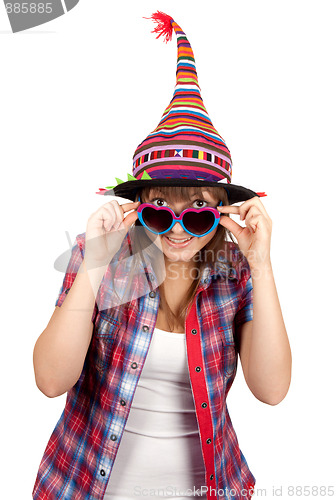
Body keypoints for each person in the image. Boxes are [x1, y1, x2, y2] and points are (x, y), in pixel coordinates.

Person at [32, 11, 292, 500]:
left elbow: (272, 390)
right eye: (160, 210)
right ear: (138, 208)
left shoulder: (234, 275)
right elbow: (50, 379)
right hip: (87, 487)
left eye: (197, 211)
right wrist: (92, 264)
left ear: (222, 213)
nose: (176, 229)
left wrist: (261, 263)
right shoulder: (101, 262)